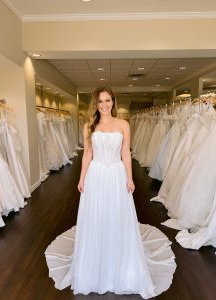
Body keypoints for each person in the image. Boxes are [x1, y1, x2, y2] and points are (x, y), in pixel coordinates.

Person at [45, 87, 176, 299]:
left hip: (116, 174)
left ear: (113, 101)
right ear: (95, 104)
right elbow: (87, 154)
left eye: (108, 100)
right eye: (100, 101)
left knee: (117, 217)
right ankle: (94, 267)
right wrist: (81, 178)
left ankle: (121, 266)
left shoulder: (123, 124)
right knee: (96, 217)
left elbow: (125, 153)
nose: (104, 105)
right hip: (96, 175)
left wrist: (130, 178)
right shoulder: (89, 125)